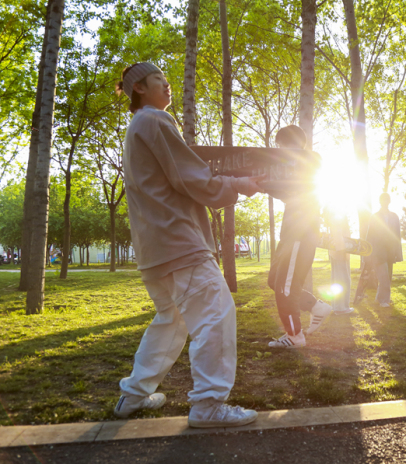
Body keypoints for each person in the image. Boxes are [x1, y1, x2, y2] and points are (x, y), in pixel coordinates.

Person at [113, 62, 260, 428]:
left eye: (166, 79)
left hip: (154, 248)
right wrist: (236, 184)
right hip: (179, 242)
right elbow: (189, 177)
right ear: (140, 90)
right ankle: (209, 404)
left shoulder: (137, 128)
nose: (167, 84)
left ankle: (133, 395)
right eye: (158, 79)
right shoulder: (154, 121)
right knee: (217, 314)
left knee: (172, 320)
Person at [267, 125, 333, 349]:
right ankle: (316, 306)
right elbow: (284, 191)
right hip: (289, 235)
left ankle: (295, 336)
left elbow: (310, 176)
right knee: (274, 280)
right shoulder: (291, 171)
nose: (279, 150)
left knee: (286, 288)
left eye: (280, 145)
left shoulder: (310, 160)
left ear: (287, 144)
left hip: (300, 234)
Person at [366, 193, 403, 307]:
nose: (385, 201)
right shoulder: (374, 217)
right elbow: (370, 235)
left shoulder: (394, 216)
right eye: (383, 199)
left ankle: (380, 298)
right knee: (383, 277)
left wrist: (398, 253)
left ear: (389, 201)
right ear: (380, 201)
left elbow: (397, 235)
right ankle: (384, 300)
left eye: (387, 199)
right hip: (378, 251)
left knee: (388, 276)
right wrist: (368, 253)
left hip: (390, 251)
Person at [327, 211, 355, 315]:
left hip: (337, 252)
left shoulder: (334, 214)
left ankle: (337, 306)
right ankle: (341, 308)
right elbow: (338, 233)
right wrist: (341, 250)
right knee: (342, 279)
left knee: (337, 278)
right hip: (340, 252)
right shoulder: (338, 214)